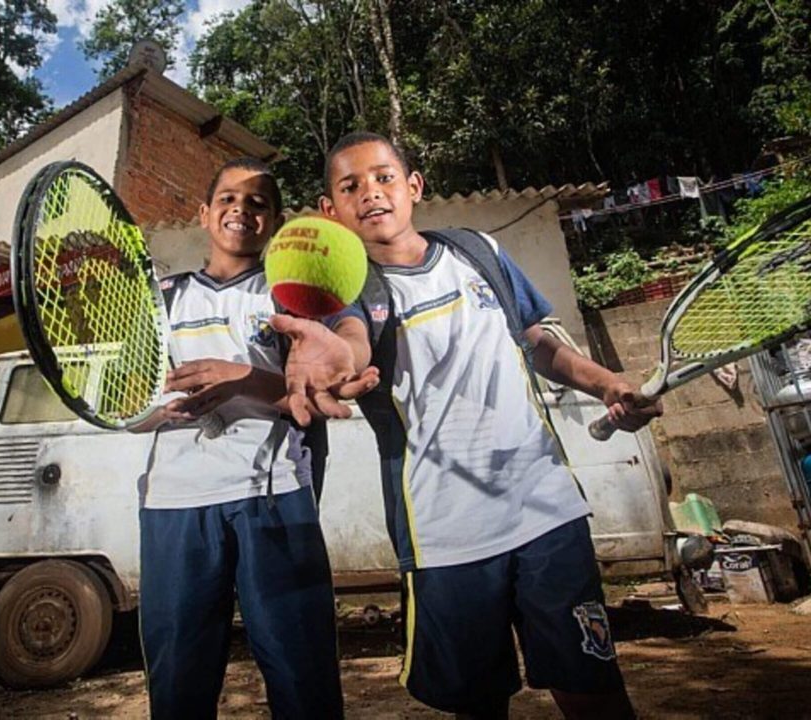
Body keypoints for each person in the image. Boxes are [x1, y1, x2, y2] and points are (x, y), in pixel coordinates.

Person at [318, 131, 662, 720]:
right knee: (478, 706)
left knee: (594, 692)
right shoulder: (345, 294)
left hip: (546, 512)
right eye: (350, 186)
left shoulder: (476, 250)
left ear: (413, 187)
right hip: (443, 538)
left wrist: (606, 382)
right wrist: (333, 363)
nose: (370, 193)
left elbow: (538, 340)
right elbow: (346, 343)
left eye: (383, 178)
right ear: (331, 212)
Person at [135, 156, 375, 719]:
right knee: (177, 688)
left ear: (275, 221)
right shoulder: (159, 300)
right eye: (228, 199)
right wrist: (165, 409)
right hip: (174, 505)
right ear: (204, 213)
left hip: (274, 497)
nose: (241, 209)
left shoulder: (298, 299)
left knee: (304, 678)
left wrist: (241, 378)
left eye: (257, 202)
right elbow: (132, 408)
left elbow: (312, 398)